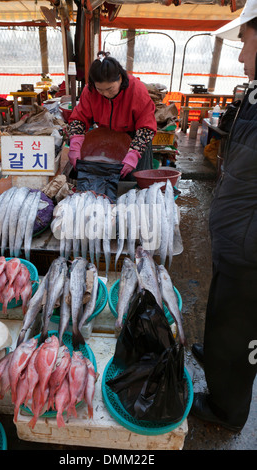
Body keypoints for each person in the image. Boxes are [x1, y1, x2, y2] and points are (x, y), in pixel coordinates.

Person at [191, 0, 257, 432]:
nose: (239, 54)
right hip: (235, 237)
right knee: (221, 310)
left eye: (246, 41)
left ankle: (227, 410)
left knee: (242, 331)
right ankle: (213, 353)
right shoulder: (254, 93)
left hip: (252, 250)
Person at [67, 51, 157, 179]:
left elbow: (146, 127)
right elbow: (79, 120)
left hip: (135, 139)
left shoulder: (136, 89)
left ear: (120, 78)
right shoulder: (90, 90)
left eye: (110, 89)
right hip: (104, 136)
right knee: (104, 179)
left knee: (135, 182)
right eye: (100, 89)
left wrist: (134, 153)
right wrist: (75, 143)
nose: (105, 94)